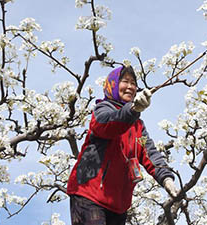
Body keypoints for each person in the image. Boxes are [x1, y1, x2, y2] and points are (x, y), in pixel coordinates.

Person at [67, 66, 178, 225]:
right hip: (89, 195)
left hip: (118, 205)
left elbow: (149, 152)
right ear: (112, 85)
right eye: (125, 81)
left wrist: (166, 179)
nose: (131, 87)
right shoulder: (103, 110)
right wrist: (132, 110)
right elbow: (108, 125)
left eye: (133, 83)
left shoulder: (138, 127)